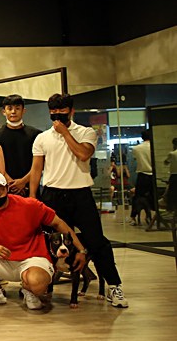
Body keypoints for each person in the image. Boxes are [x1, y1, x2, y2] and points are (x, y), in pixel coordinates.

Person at [30, 93, 128, 308]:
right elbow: (36, 169)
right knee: (46, 242)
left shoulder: (86, 132)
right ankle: (40, 286)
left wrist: (65, 133)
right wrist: (32, 197)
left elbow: (83, 154)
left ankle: (114, 286)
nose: (57, 117)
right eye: (53, 113)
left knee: (97, 241)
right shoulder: (42, 138)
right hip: (52, 194)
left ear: (71, 112)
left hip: (80, 194)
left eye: (62, 113)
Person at [0, 172, 87, 310]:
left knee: (37, 285)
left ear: (7, 188)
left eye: (0, 187)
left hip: (32, 258)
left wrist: (81, 249)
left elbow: (58, 223)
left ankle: (29, 290)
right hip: (1, 259)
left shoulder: (30, 205)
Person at [0, 95, 41, 196]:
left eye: (17, 108)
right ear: (3, 111)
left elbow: (39, 164)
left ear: (23, 110)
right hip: (5, 188)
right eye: (10, 108)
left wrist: (23, 182)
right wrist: (11, 183)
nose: (13, 112)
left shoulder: (36, 134)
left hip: (31, 187)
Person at [131, 130, 156, 227]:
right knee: (153, 196)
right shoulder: (154, 147)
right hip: (154, 175)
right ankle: (152, 216)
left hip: (142, 175)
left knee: (138, 197)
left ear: (142, 137)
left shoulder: (136, 148)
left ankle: (133, 217)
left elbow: (135, 159)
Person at [165, 138, 177, 211]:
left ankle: (171, 209)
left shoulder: (172, 153)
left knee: (172, 193)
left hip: (174, 176)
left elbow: (166, 162)